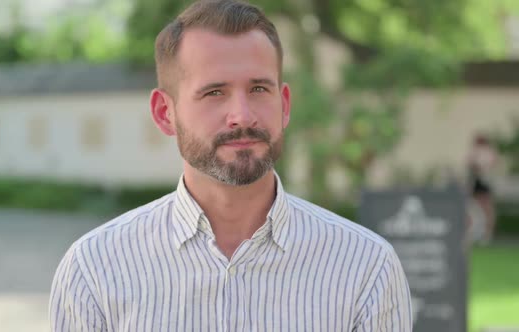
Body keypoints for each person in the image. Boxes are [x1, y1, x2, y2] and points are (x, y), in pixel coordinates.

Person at [49, 0, 412, 331]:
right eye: (214, 92)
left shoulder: (366, 268)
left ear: (284, 105)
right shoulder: (94, 271)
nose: (242, 116)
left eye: (258, 89)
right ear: (165, 113)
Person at [467, 134, 499, 244]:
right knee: (474, 208)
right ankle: (476, 233)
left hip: (484, 181)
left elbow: (490, 164)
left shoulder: (488, 151)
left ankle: (487, 234)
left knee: (487, 209)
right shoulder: (475, 151)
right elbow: (469, 163)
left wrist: (480, 166)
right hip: (476, 182)